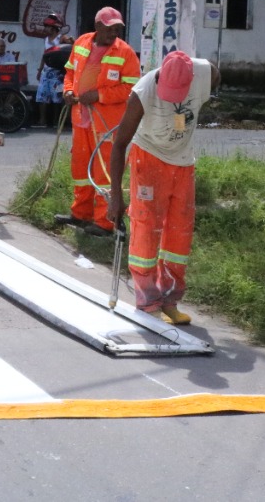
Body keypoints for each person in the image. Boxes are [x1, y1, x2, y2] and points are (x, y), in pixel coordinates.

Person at [108, 51, 221, 326]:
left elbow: (217, 80)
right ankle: (148, 302)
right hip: (149, 158)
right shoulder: (144, 92)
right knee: (147, 230)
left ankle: (170, 300)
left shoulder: (207, 73)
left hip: (183, 163)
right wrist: (115, 196)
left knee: (179, 235)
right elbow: (119, 143)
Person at [58, 6, 141, 236]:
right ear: (97, 26)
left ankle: (105, 222)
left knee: (105, 172)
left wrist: (99, 95)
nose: (114, 33)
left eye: (117, 29)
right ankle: (81, 214)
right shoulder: (82, 43)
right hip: (81, 119)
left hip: (107, 124)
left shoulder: (126, 53)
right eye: (110, 28)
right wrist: (67, 90)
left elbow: (132, 89)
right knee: (81, 169)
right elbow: (70, 74)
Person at [35, 14, 68, 128]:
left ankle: (56, 122)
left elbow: (70, 42)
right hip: (46, 71)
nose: (45, 29)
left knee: (57, 98)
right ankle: (42, 120)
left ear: (54, 28)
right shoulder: (46, 40)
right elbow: (44, 55)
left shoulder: (61, 38)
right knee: (42, 96)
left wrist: (71, 40)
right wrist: (39, 70)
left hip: (57, 73)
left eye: (47, 27)